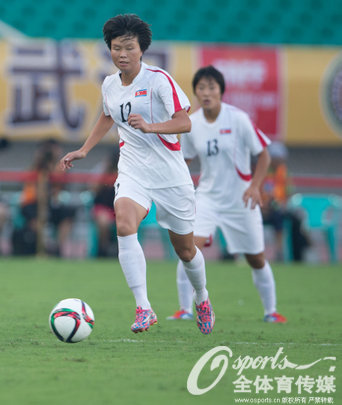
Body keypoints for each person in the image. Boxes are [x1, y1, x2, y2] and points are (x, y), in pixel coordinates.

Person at [60, 14, 215, 335]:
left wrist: (151, 126)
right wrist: (85, 149)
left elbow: (184, 122)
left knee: (185, 251)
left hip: (170, 174)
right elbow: (107, 115)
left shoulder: (158, 80)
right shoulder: (109, 84)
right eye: (116, 48)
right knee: (124, 221)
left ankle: (201, 297)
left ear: (141, 49)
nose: (122, 54)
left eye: (129, 48)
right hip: (132, 169)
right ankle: (144, 307)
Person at [167, 65, 286, 323]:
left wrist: (255, 186)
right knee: (188, 249)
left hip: (240, 200)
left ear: (221, 90)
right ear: (195, 92)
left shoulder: (238, 119)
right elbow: (184, 161)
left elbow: (263, 154)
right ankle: (185, 309)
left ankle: (271, 311)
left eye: (212, 87)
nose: (206, 92)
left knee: (256, 258)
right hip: (207, 198)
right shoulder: (191, 124)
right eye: (201, 88)